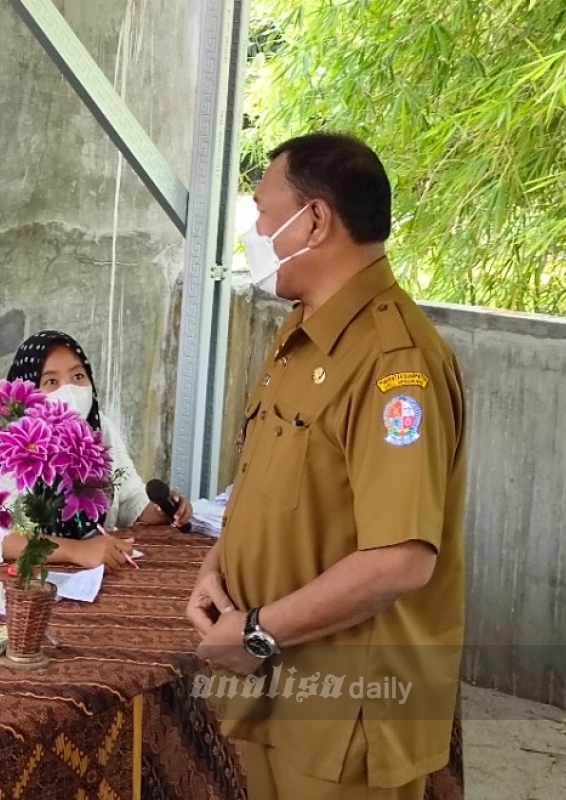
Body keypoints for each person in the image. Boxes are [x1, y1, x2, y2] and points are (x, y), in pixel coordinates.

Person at [188, 133, 466, 800]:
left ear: (313, 220)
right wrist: (218, 563)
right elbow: (279, 483)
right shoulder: (303, 332)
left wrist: (254, 633)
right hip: (280, 688)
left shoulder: (395, 365)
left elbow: (401, 559)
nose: (255, 232)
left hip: (346, 710)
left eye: (262, 211)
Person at [0, 330, 192, 573]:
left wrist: (160, 507)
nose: (69, 389)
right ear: (27, 391)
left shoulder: (99, 426)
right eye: (51, 381)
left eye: (78, 376)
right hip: (18, 583)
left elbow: (129, 499)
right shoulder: (7, 442)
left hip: (90, 576)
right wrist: (77, 551)